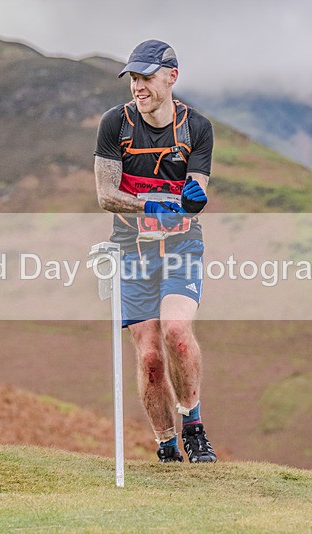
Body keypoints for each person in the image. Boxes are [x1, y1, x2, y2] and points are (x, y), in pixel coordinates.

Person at [94, 39, 217, 463]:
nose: (138, 86)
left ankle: (194, 426)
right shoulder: (116, 124)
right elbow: (106, 194)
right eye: (133, 77)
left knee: (177, 334)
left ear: (171, 77)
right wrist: (149, 204)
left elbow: (198, 184)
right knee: (149, 357)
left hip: (182, 243)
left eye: (146, 77)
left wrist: (194, 194)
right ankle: (166, 445)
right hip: (131, 248)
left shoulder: (196, 127)